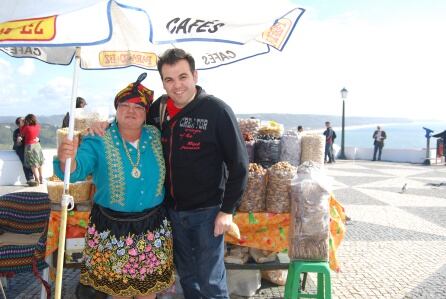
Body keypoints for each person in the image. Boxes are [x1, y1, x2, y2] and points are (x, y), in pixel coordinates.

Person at [55, 74, 174, 299]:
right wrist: (65, 158)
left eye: (138, 107)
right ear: (116, 110)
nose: (131, 111)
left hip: (153, 227)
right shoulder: (98, 138)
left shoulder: (156, 135)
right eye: (124, 105)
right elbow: (76, 169)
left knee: (148, 292)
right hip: (112, 228)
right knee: (120, 292)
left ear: (146, 113)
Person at [149, 48, 249, 299]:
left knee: (211, 283)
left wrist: (227, 211)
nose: (177, 85)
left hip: (207, 213)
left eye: (183, 77)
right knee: (187, 278)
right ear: (163, 82)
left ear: (195, 75)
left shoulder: (216, 110)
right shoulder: (158, 110)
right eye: (169, 80)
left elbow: (239, 165)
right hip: (172, 211)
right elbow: (132, 124)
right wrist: (105, 125)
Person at [21, 114, 44, 184]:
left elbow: (22, 133)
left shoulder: (26, 128)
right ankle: (41, 177)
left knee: (33, 164)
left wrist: (24, 124)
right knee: (39, 162)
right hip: (37, 145)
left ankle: (37, 180)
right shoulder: (38, 126)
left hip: (30, 146)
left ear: (28, 120)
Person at [12, 117, 36, 186]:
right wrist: (19, 140)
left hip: (28, 147)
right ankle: (30, 179)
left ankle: (38, 178)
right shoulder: (17, 132)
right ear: (18, 124)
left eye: (24, 120)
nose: (24, 121)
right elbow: (17, 144)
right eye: (22, 121)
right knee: (25, 160)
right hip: (20, 148)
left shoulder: (28, 129)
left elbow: (34, 137)